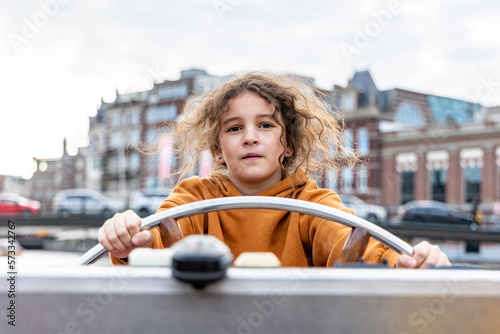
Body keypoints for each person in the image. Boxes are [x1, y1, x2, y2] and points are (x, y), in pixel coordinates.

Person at [99, 72, 450, 269]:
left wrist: (403, 260)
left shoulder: (312, 202)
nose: (250, 137)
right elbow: (155, 239)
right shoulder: (194, 197)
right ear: (218, 150)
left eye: (265, 126)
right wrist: (130, 240)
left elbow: (350, 239)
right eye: (234, 128)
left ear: (289, 144)